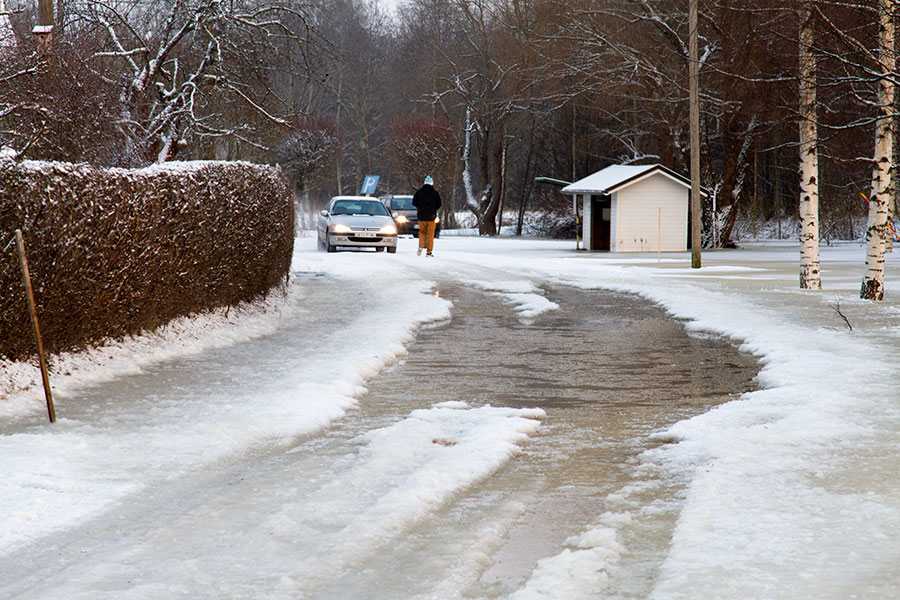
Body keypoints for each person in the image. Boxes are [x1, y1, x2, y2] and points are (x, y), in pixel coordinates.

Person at [412, 175, 442, 256]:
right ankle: (429, 252)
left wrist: (420, 207)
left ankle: (421, 246)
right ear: (432, 183)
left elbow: (414, 202)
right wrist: (433, 209)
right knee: (430, 234)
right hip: (431, 217)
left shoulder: (418, 193)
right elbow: (439, 203)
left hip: (421, 216)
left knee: (422, 232)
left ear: (424, 183)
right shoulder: (435, 193)